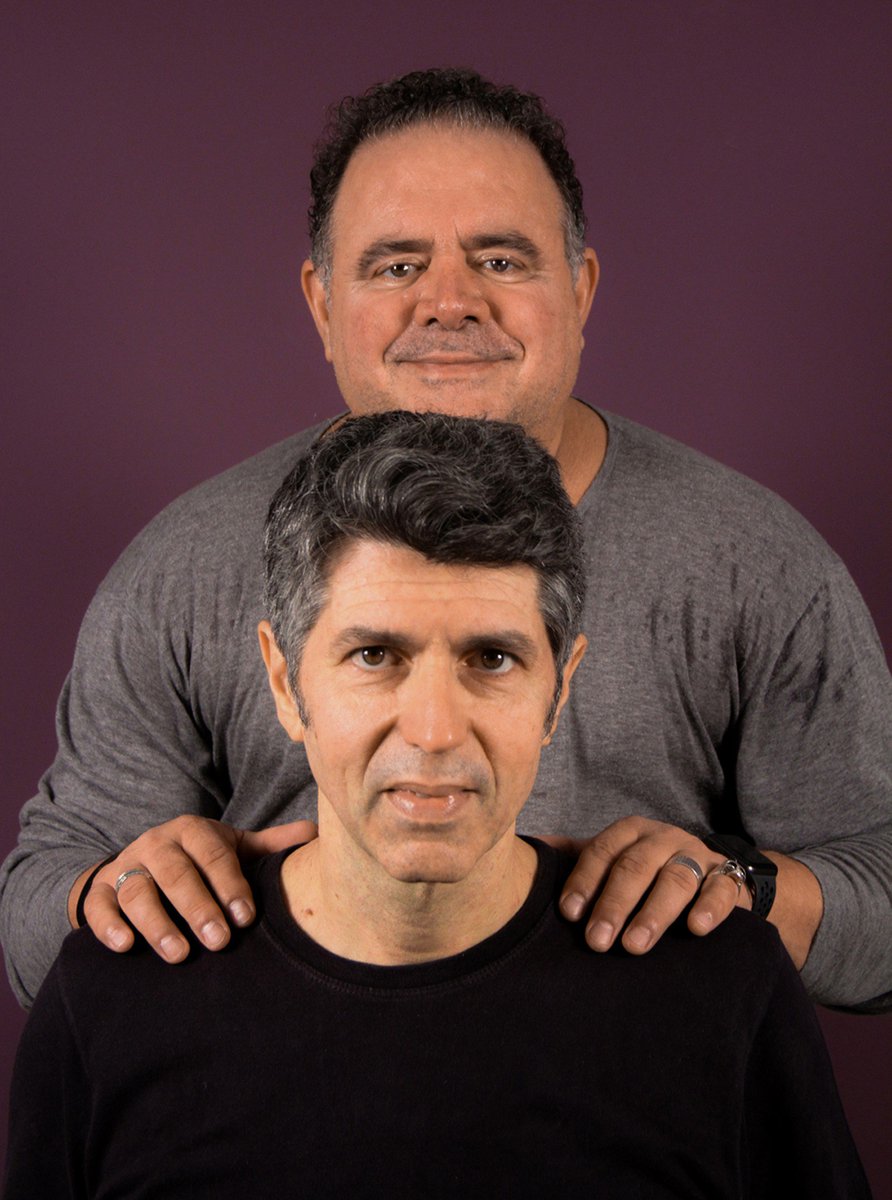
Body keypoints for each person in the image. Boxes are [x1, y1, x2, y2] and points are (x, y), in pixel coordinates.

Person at [1, 68, 890, 1012]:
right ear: (322, 305)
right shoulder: (183, 570)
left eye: (501, 261)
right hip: (275, 1089)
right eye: (396, 267)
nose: (450, 302)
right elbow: (34, 923)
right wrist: (118, 897)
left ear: (580, 290)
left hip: (643, 1092)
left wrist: (742, 890)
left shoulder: (754, 563)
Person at [3, 413, 871, 1199]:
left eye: (492, 659)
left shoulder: (725, 994)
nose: (433, 729)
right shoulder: (109, 1003)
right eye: (374, 655)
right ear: (284, 681)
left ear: (559, 688)